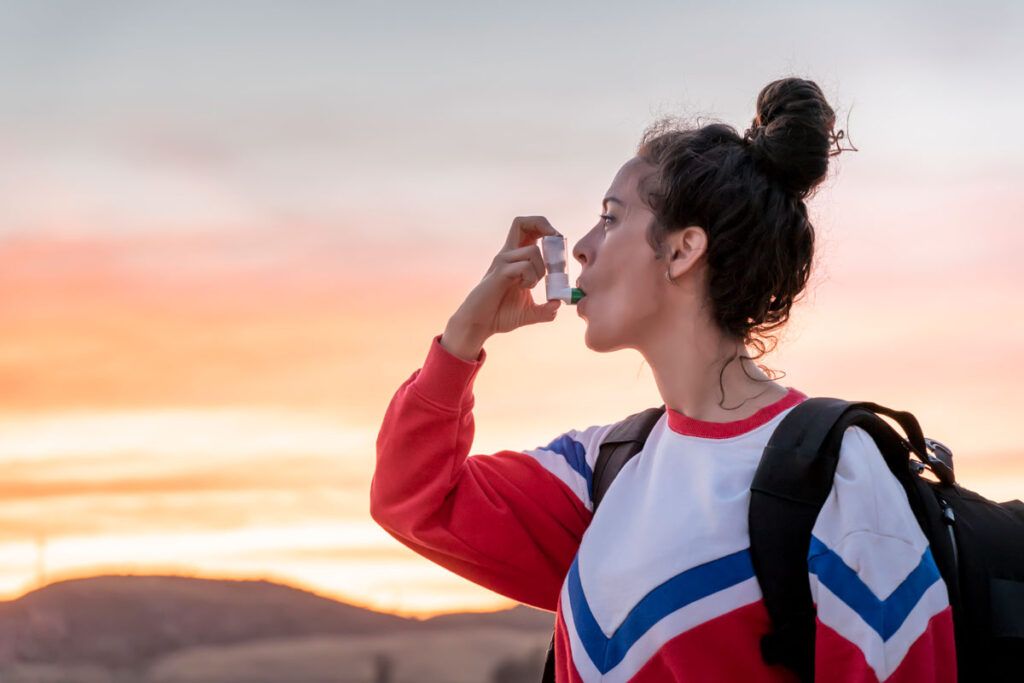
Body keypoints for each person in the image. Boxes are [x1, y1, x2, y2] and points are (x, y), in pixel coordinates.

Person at [370, 78, 956, 682]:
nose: (582, 251)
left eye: (610, 218)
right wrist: (461, 340)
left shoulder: (838, 478)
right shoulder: (603, 471)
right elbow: (413, 499)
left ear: (682, 251)